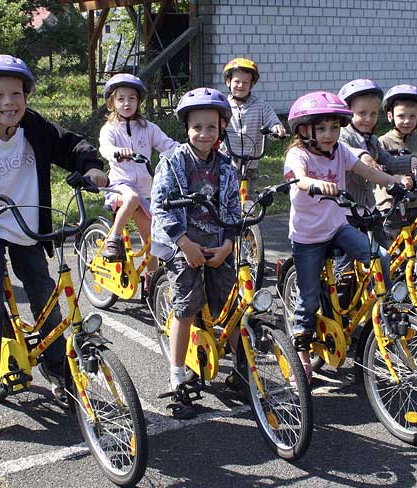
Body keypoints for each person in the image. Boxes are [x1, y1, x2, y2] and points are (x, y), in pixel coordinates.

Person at [0, 55, 108, 439]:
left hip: (28, 225)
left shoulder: (35, 127)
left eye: (16, 94)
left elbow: (71, 146)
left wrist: (91, 166)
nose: (8, 102)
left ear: (26, 97)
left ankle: (58, 370)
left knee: (45, 293)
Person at [283, 91, 412, 380]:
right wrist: (315, 183)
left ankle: (386, 310)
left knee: (380, 257)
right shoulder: (298, 154)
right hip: (307, 237)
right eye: (322, 129)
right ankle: (301, 357)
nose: (330, 135)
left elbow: (368, 172)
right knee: (308, 299)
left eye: (334, 128)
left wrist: (393, 182)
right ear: (304, 130)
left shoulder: (340, 151)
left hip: (337, 228)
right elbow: (298, 177)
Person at [150, 87, 241, 419]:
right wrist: (185, 244)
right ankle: (176, 376)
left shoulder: (225, 166)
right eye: (197, 127)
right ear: (186, 128)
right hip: (182, 241)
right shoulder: (173, 162)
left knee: (231, 305)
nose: (204, 133)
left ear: (221, 128)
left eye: (211, 127)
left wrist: (228, 244)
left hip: (216, 242)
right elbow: (160, 206)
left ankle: (243, 368)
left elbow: (233, 207)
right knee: (186, 306)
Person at [98, 73, 179, 266]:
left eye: (132, 98)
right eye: (121, 99)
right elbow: (105, 148)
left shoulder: (148, 128)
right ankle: (113, 239)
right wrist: (117, 152)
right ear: (112, 103)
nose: (127, 103)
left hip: (144, 190)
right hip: (119, 185)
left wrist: (186, 151)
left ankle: (151, 281)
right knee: (131, 197)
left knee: (151, 240)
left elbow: (167, 145)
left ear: (138, 101)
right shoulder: (110, 128)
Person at [338, 79, 417, 244]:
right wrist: (363, 155)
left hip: (368, 207)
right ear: (348, 112)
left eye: (373, 114)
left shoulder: (372, 140)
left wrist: (412, 161)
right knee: (349, 254)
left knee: (382, 251)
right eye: (362, 113)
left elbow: (389, 161)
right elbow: (343, 149)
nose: (368, 119)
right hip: (345, 209)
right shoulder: (342, 135)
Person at [220, 58, 286, 195]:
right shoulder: (223, 106)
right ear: (228, 82)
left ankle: (248, 208)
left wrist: (276, 129)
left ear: (252, 84)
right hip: (227, 161)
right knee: (226, 195)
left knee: (248, 199)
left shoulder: (261, 106)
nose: (240, 85)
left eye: (245, 82)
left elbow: (273, 122)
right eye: (236, 81)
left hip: (251, 162)